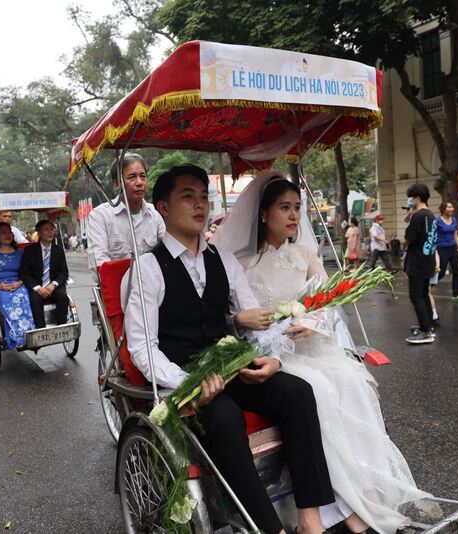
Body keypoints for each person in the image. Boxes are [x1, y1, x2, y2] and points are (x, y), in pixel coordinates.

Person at [214, 171, 429, 534]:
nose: (294, 215)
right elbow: (239, 320)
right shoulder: (242, 262)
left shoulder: (306, 253)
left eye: (297, 207)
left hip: (311, 344)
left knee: (356, 380)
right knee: (321, 392)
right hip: (272, 350)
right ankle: (337, 507)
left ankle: (366, 493)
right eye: (285, 207)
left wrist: (311, 322)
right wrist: (270, 328)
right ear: (264, 213)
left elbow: (329, 305)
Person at [126, 165, 336, 534]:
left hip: (229, 363)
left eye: (203, 197)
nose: (199, 205)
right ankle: (271, 528)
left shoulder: (222, 259)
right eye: (187, 197)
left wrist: (269, 357)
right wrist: (185, 383)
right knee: (224, 418)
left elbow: (252, 315)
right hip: (188, 378)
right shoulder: (147, 268)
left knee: (299, 393)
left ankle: (309, 519)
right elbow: (143, 346)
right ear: (162, 207)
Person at [87, 154, 167, 270]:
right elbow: (100, 264)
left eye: (143, 176)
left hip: (154, 285)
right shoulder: (99, 216)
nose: (139, 182)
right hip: (118, 285)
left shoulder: (155, 213)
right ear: (116, 183)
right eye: (132, 177)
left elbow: (168, 249)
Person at [0, 222, 35, 349]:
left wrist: (19, 283)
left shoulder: (20, 253)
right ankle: (15, 337)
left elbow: (28, 272)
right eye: (3, 232)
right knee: (6, 299)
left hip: (19, 284)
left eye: (9, 232)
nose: (7, 235)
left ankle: (29, 334)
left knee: (24, 296)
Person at [403, 184, 437, 344]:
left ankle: (425, 332)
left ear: (416, 198)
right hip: (428, 261)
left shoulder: (417, 217)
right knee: (423, 295)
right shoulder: (431, 215)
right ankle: (428, 326)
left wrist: (411, 215)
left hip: (417, 262)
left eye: (411, 197)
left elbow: (408, 238)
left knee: (416, 296)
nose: (410, 200)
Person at [20, 219, 70, 329]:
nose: (50, 232)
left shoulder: (59, 250)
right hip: (37, 286)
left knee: (63, 297)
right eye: (46, 230)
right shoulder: (30, 250)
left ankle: (62, 327)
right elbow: (24, 274)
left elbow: (64, 273)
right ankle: (41, 330)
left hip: (54, 285)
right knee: (34, 300)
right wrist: (38, 288)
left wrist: (53, 284)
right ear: (39, 232)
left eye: (52, 229)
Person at [435, 201, 458, 302]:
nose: (451, 209)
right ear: (443, 209)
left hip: (452, 248)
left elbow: (455, 235)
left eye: (452, 207)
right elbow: (433, 235)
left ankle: (456, 294)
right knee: (442, 272)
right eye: (449, 207)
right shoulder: (437, 221)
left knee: (457, 271)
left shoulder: (454, 220)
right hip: (441, 249)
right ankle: (428, 284)